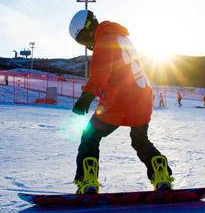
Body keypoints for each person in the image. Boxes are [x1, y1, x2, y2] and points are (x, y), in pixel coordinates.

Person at [69, 10, 173, 195]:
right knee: (140, 140)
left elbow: (101, 72)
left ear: (88, 28)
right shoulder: (121, 37)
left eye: (84, 40)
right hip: (142, 96)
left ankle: (88, 181)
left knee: (90, 136)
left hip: (119, 99)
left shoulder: (105, 39)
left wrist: (86, 97)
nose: (87, 45)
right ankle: (161, 174)